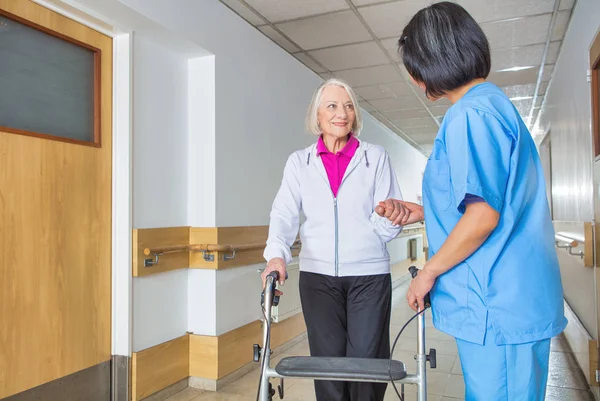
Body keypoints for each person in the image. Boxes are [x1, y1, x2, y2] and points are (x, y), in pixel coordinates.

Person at [376, 2, 567, 400]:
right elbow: (498, 201)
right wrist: (428, 212)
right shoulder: (492, 104)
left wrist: (427, 272)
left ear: (430, 63)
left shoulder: (469, 115)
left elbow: (483, 216)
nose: (413, 78)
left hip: (496, 305)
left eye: (412, 67)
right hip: (512, 301)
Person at [261, 78, 421, 401]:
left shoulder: (374, 158)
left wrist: (389, 216)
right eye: (332, 106)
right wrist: (276, 255)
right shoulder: (299, 164)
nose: (341, 113)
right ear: (317, 116)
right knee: (327, 368)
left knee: (366, 367)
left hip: (369, 278)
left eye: (348, 106)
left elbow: (386, 229)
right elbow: (283, 215)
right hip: (318, 280)